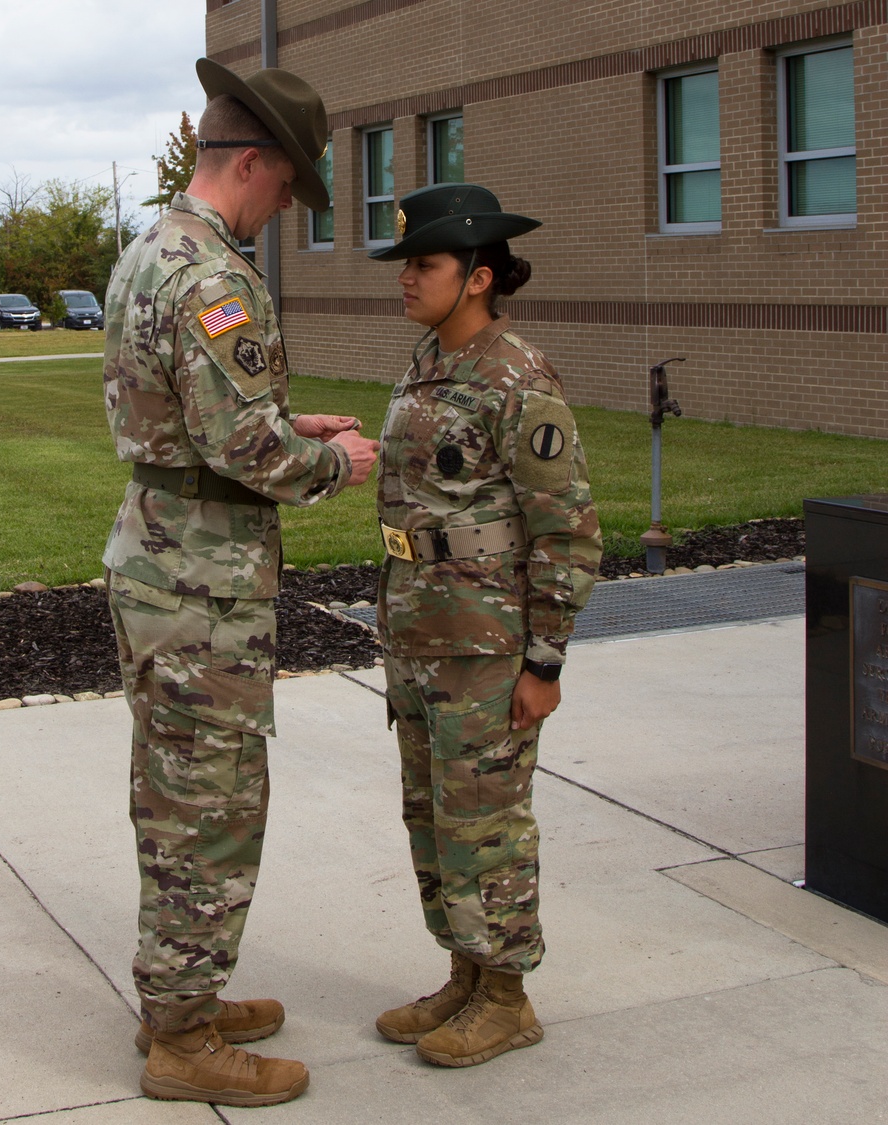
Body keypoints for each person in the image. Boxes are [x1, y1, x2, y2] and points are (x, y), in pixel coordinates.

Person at [102, 59, 379, 1107]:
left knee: (173, 793)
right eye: (285, 187)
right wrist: (331, 463)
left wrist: (279, 424)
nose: (282, 209)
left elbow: (191, 417)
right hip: (200, 584)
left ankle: (181, 998)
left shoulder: (150, 250)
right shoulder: (213, 273)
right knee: (209, 807)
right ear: (251, 162)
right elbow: (243, 449)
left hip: (161, 553)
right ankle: (182, 1039)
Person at [368, 184, 602, 1068]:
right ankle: (466, 973)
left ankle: (507, 996)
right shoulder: (426, 363)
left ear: (478, 276)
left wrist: (544, 661)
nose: (407, 280)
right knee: (433, 818)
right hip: (422, 639)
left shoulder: (518, 377)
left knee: (488, 824)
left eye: (423, 265)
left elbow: (569, 531)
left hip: (488, 650)